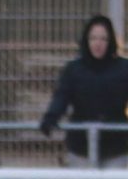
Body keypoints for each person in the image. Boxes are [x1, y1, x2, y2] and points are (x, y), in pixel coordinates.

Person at [39, 14, 128, 169]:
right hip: (81, 148)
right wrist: (51, 117)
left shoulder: (123, 69)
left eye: (103, 39)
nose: (98, 43)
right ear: (86, 40)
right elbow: (62, 97)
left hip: (116, 148)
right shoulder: (74, 70)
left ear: (111, 41)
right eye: (93, 38)